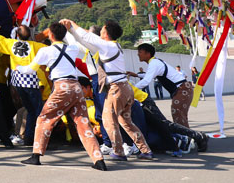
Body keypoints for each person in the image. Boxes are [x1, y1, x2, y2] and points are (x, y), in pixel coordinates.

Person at [17, 22, 106, 170]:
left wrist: (18, 68)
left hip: (61, 87)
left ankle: (36, 155)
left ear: (50, 35)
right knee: (83, 123)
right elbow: (73, 40)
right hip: (76, 87)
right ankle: (98, 160)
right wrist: (69, 28)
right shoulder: (72, 48)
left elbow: (29, 70)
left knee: (44, 119)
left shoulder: (46, 51)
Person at [62, 19, 153, 160]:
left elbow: (86, 37)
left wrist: (71, 24)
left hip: (116, 89)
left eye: (103, 30)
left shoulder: (107, 46)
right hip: (125, 88)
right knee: (126, 121)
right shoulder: (113, 46)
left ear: (106, 33)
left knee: (108, 120)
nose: (101, 32)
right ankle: (145, 150)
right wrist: (72, 31)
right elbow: (85, 41)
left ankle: (118, 151)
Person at [0, 20, 47, 147]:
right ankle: (36, 139)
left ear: (17, 35)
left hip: (17, 83)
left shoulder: (12, 44)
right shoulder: (35, 46)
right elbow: (50, 50)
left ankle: (28, 138)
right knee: (37, 111)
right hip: (32, 82)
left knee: (29, 110)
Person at [130, 43, 194, 127]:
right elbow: (149, 76)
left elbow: (146, 81)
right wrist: (137, 75)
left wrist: (130, 89)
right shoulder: (155, 62)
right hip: (182, 89)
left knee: (178, 114)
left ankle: (187, 137)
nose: (138, 54)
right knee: (179, 115)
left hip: (182, 89)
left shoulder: (154, 63)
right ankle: (187, 136)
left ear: (148, 53)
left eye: (140, 52)